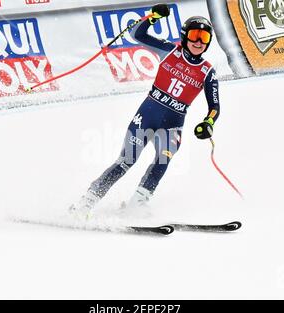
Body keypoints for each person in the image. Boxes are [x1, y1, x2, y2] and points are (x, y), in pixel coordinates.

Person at [70, 4, 220, 217]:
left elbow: (214, 106)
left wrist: (208, 122)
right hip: (149, 113)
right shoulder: (169, 50)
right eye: (195, 35)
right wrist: (153, 17)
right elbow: (136, 34)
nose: (198, 42)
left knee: (163, 160)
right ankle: (86, 202)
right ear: (185, 36)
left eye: (204, 38)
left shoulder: (207, 72)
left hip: (174, 122)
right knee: (126, 161)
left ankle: (138, 202)